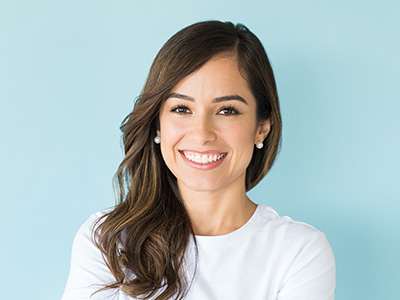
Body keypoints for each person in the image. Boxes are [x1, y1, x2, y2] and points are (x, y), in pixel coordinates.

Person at [61, 20, 335, 300]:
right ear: (157, 124)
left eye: (227, 111)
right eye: (181, 108)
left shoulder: (299, 253)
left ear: (262, 127)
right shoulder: (107, 241)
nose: (202, 133)